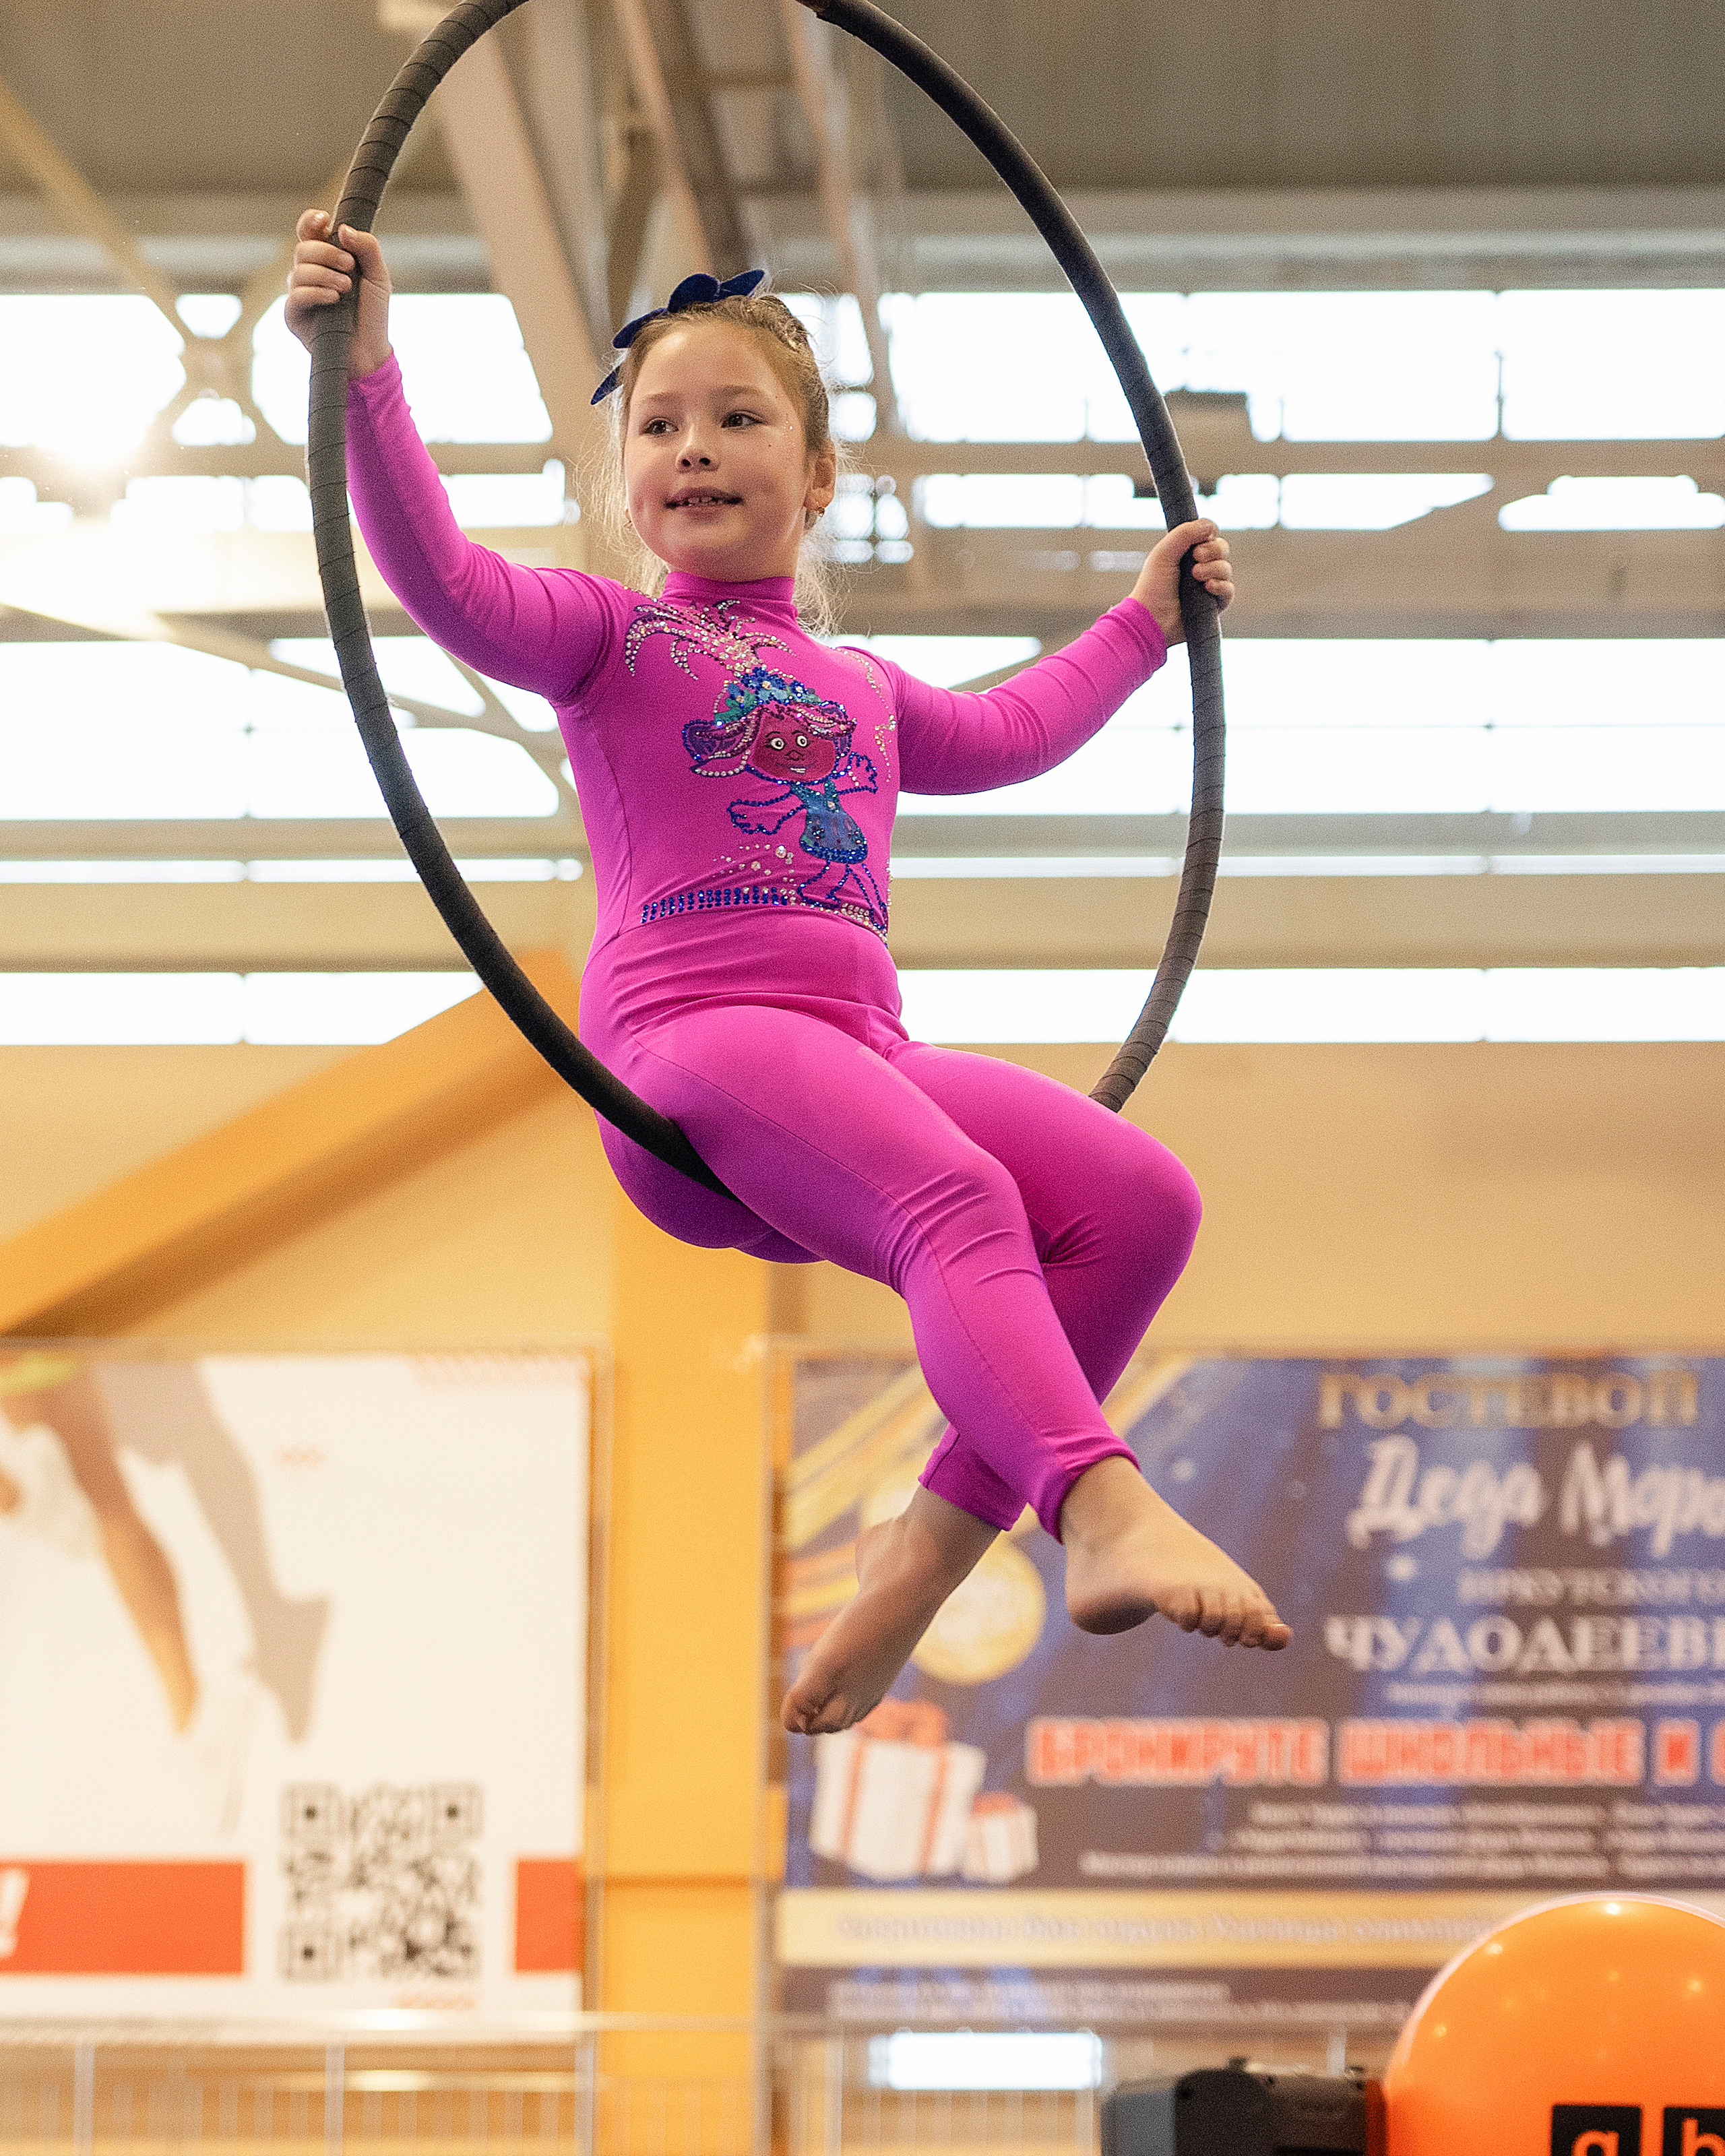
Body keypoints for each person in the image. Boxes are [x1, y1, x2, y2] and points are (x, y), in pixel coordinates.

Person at [286, 214, 1292, 1735]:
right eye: (661, 426)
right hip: (686, 1056)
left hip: (852, 1063)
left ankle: (921, 1559)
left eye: (739, 419)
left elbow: (1018, 725)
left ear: (814, 479)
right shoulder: (607, 637)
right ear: (627, 480)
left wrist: (1144, 624)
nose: (694, 449)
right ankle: (1092, 1498)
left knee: (1138, 1202)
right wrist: (362, 369)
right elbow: (440, 578)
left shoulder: (863, 687)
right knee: (954, 1192)